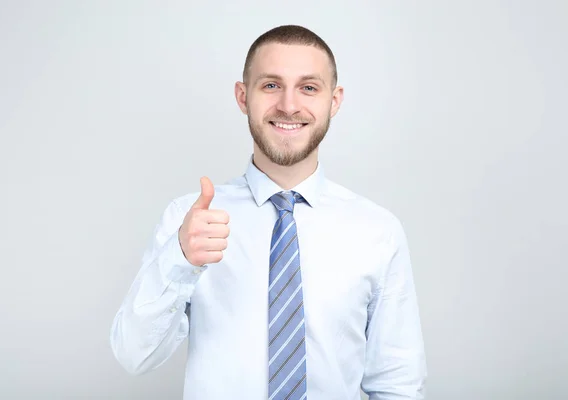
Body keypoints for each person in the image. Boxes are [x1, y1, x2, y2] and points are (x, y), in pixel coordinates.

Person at [110, 24, 427, 400]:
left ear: (334, 101)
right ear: (243, 97)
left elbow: (397, 384)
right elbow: (133, 355)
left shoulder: (378, 231)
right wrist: (179, 259)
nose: (289, 105)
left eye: (308, 87)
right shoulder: (190, 222)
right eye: (271, 85)